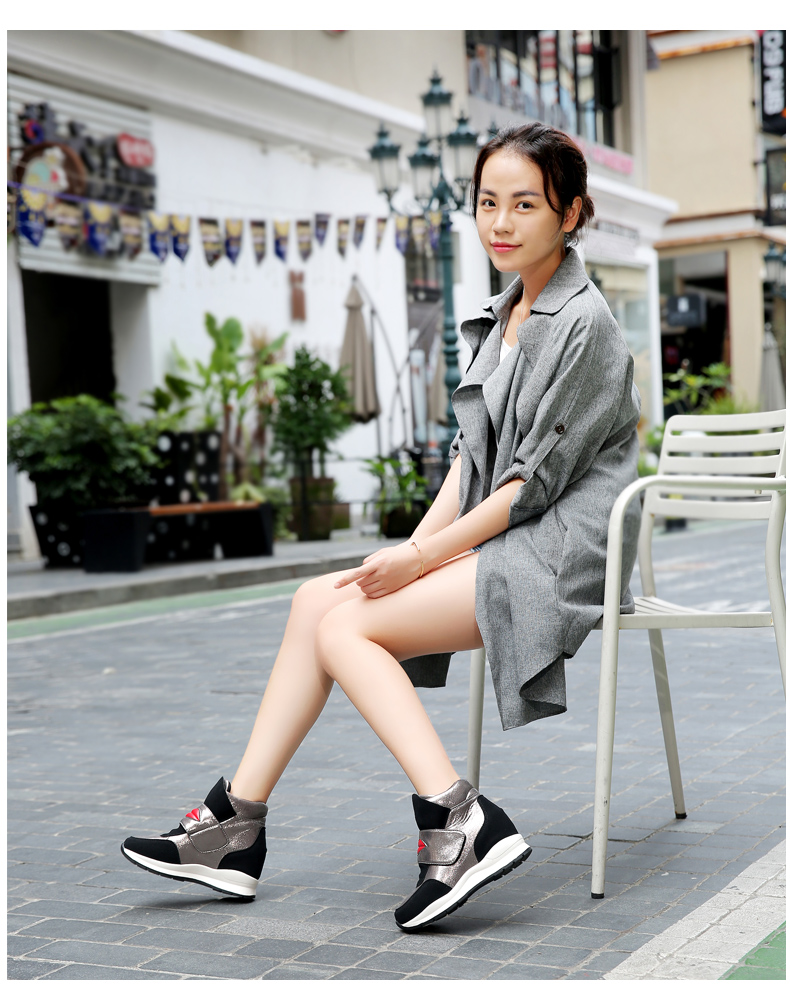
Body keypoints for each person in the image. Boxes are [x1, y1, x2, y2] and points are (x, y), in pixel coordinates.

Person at [121, 122, 641, 932]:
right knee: (313, 600)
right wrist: (410, 551)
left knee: (346, 629)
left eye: (525, 204)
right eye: (488, 203)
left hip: (562, 549)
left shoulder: (585, 323)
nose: (501, 222)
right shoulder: (508, 312)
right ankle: (233, 828)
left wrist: (423, 557)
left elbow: (528, 485)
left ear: (570, 213)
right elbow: (471, 465)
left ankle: (459, 819)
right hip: (509, 533)